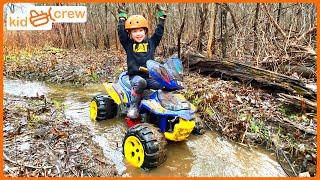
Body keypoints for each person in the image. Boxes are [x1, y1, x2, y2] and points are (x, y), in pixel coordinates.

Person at [117, 4, 167, 119]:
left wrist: (161, 18)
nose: (138, 33)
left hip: (149, 76)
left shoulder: (151, 43)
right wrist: (122, 17)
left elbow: (159, 32)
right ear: (130, 33)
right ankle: (134, 106)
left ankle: (167, 106)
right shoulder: (128, 44)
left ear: (145, 31)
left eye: (140, 30)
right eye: (134, 31)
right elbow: (121, 31)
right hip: (135, 77)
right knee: (141, 83)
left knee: (164, 83)